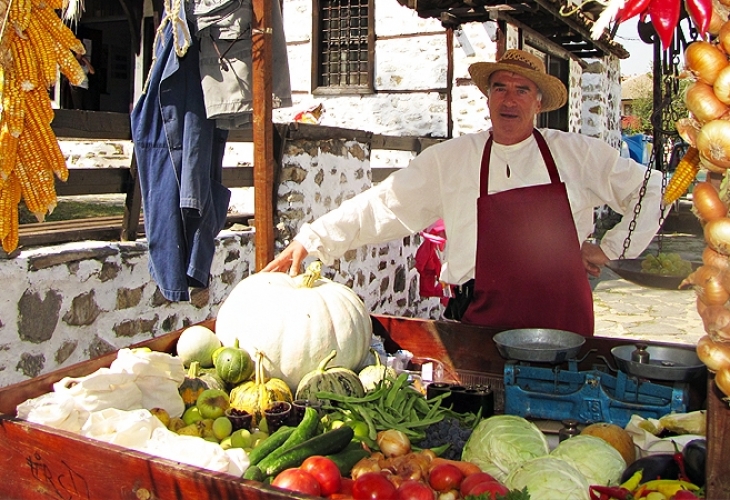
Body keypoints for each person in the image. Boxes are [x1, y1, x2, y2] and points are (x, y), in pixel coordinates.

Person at [263, 49, 663, 336]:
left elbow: (651, 190)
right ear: (487, 98)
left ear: (539, 102)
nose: (509, 98)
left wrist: (610, 248)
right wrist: (313, 239)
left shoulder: (576, 154)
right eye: (500, 87)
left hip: (562, 323)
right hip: (482, 321)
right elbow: (385, 204)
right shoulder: (452, 159)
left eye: (522, 90)